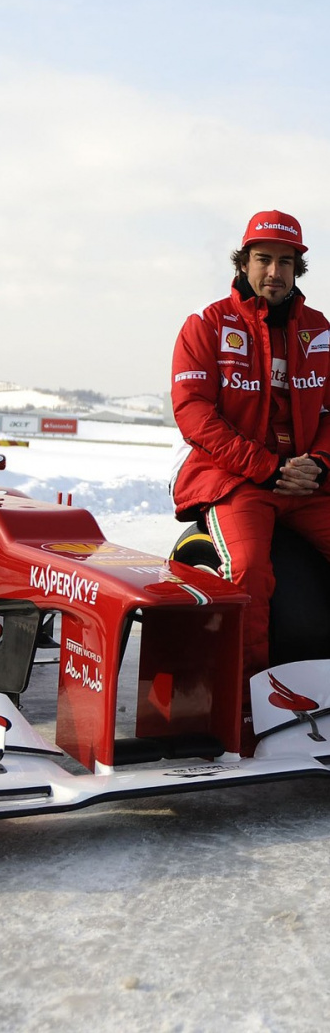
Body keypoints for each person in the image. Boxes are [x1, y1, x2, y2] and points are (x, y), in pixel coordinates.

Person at [171, 210, 330, 744]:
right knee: (248, 575)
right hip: (236, 480)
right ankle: (250, 714)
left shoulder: (319, 331)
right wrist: (265, 467)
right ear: (244, 262)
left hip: (308, 484)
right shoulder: (207, 324)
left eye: (286, 262)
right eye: (264, 259)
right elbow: (193, 412)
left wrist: (320, 465)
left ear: (297, 270)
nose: (275, 272)